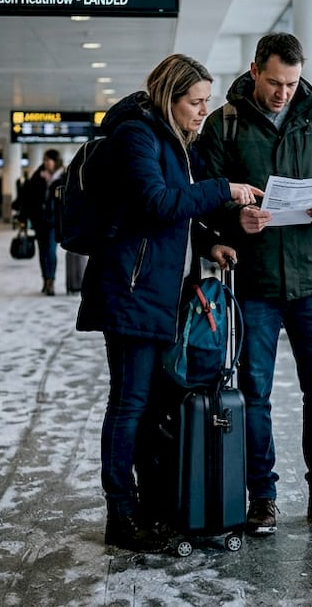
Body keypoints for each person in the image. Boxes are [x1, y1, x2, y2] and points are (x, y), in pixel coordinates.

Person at [75, 53, 261, 552]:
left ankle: (155, 503)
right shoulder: (136, 135)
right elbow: (157, 204)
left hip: (160, 293)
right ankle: (122, 512)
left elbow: (174, 220)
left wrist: (208, 245)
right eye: (195, 102)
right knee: (129, 403)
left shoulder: (175, 140)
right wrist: (224, 188)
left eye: (206, 102)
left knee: (155, 402)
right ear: (169, 97)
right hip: (131, 291)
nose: (204, 111)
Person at [194, 32, 312, 535]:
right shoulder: (224, 125)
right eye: (273, 82)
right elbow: (206, 194)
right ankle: (262, 496)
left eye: (290, 82)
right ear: (253, 71)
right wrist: (234, 215)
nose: (282, 92)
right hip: (256, 282)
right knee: (255, 392)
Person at [18, 148, 62, 295]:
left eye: (49, 160)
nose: (46, 163)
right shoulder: (37, 176)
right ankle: (45, 279)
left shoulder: (63, 177)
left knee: (50, 251)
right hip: (39, 220)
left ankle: (51, 281)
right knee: (42, 252)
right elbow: (27, 199)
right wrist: (23, 219)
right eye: (44, 160)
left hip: (54, 221)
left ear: (55, 161)